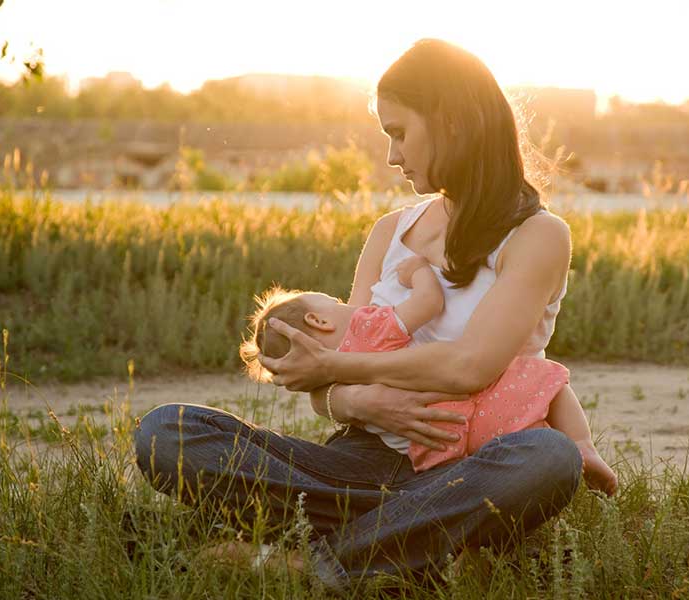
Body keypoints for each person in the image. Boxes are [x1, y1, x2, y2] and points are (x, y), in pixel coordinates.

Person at [134, 38, 594, 591]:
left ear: (451, 122)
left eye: (399, 133)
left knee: (548, 457)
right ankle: (414, 541)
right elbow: (330, 388)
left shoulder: (539, 236)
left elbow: (471, 368)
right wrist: (356, 398)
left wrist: (337, 374)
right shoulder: (390, 232)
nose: (392, 156)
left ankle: (315, 561)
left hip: (465, 466)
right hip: (355, 464)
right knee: (168, 432)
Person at [239, 268, 617, 489]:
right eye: (335, 304)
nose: (347, 305)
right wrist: (419, 271)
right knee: (546, 385)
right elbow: (427, 303)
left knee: (519, 461)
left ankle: (406, 528)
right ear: (318, 321)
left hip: (439, 450)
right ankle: (582, 445)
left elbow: (325, 394)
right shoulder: (367, 327)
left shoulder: (335, 374)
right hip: (483, 401)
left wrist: (343, 393)